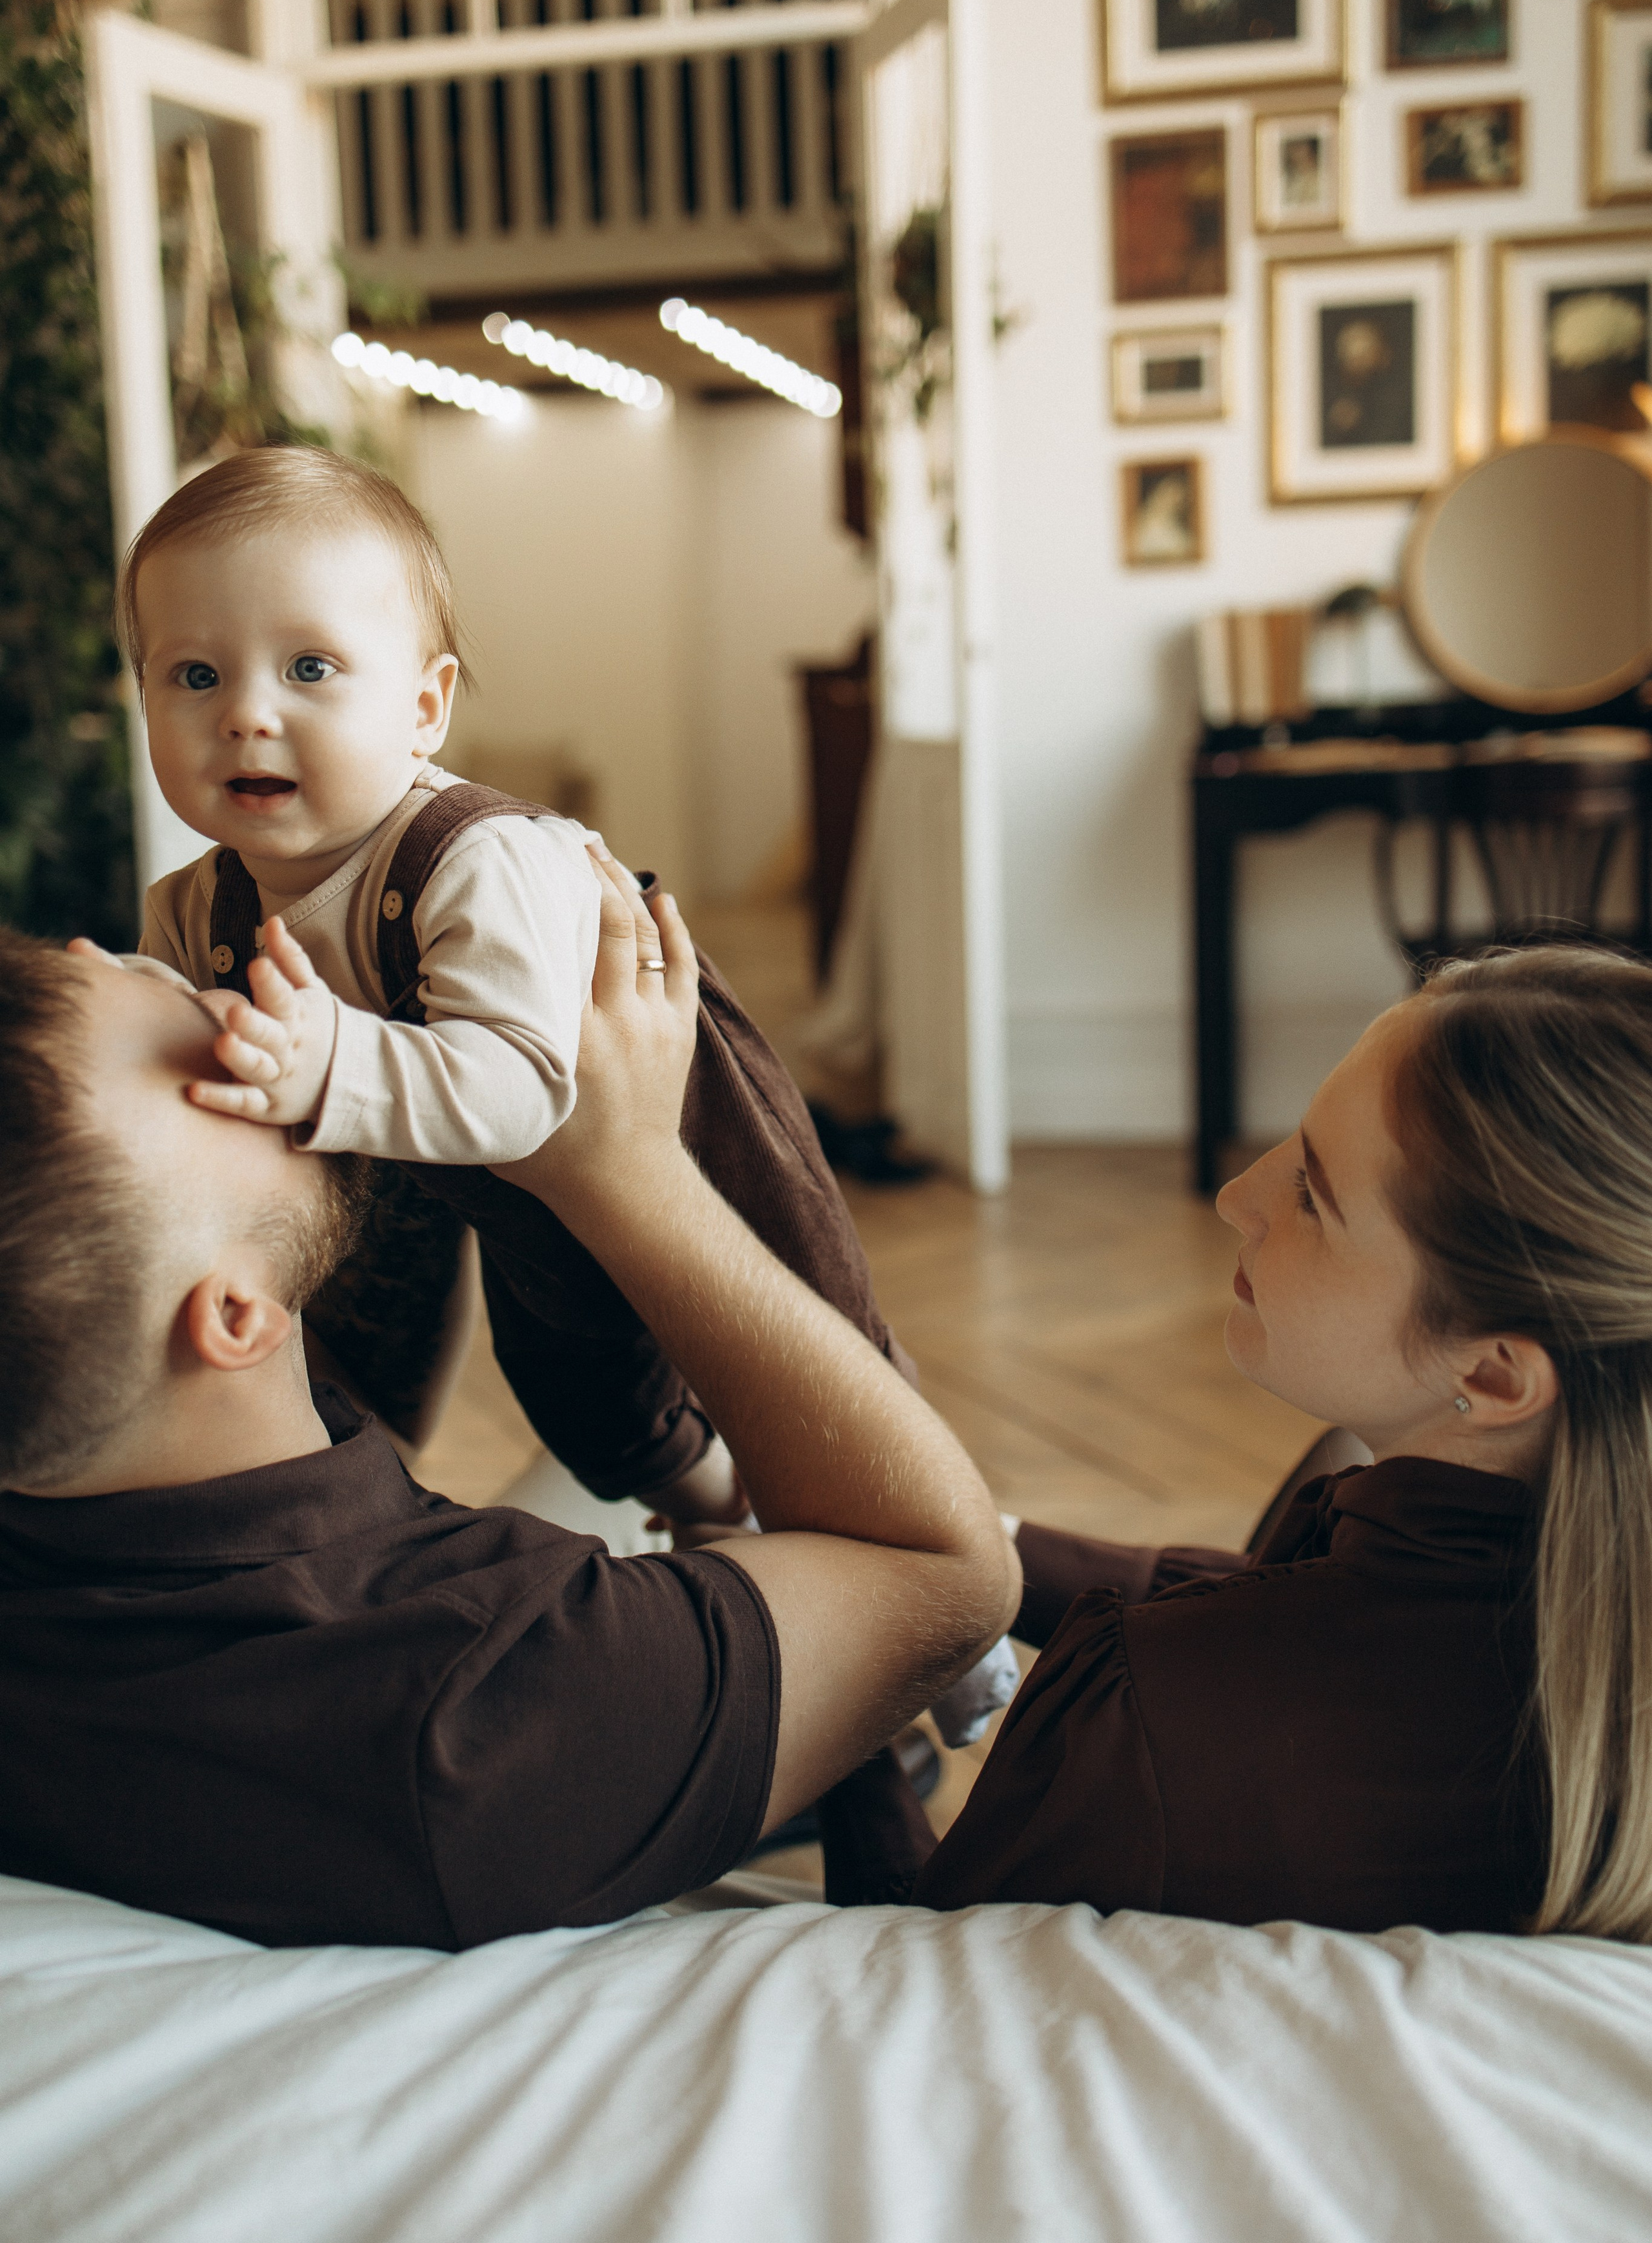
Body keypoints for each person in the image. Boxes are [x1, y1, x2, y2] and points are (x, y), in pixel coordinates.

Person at [106, 444, 1017, 1747]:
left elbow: (532, 1092)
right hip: (465, 1179)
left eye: (308, 669)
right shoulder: (195, 905)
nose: (247, 712)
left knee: (811, 1352)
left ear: (423, 708)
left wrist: (319, 1066)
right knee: (596, 1411)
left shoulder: (477, 861)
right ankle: (712, 1516)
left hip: (668, 1123)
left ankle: (949, 1601)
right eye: (193, 674)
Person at [0, 863, 1019, 1947]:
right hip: (521, 1764)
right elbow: (949, 1574)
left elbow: (348, 1397)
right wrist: (626, 1170)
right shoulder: (483, 1707)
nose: (238, 1015)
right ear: (236, 1319)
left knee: (641, 1472)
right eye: (204, 1053)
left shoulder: (98, 1446)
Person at [846, 948, 1652, 1944]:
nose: (1239, 1195)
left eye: (1314, 1195)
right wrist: (980, 1545)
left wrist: (857, 1736)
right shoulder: (1582, 1636)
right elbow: (1276, 1594)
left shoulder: (1147, 1723)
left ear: (1492, 1374)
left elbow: (908, 1968)